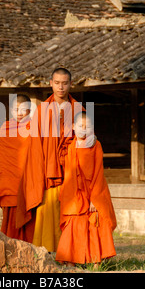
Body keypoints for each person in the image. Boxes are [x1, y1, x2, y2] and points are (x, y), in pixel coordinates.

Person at [31, 67, 92, 252]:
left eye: (65, 83)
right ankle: (47, 249)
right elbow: (35, 143)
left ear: (71, 84)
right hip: (48, 168)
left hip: (71, 168)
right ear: (51, 83)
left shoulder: (78, 109)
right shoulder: (41, 110)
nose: (60, 87)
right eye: (57, 83)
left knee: (72, 207)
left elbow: (85, 139)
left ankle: (71, 251)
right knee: (48, 208)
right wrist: (39, 169)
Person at [55, 111, 117, 266]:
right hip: (74, 192)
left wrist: (95, 198)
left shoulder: (95, 145)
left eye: (87, 126)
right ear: (74, 127)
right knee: (74, 224)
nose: (84, 129)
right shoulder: (70, 146)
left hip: (93, 189)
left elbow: (98, 171)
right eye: (80, 126)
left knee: (95, 224)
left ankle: (96, 262)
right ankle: (71, 261)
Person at [0, 94, 43, 242]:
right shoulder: (6, 127)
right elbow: (5, 157)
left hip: (28, 178)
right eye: (16, 109)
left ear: (29, 110)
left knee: (30, 213)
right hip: (10, 179)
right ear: (11, 110)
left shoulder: (34, 127)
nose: (20, 113)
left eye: (24, 109)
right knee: (11, 215)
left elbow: (37, 152)